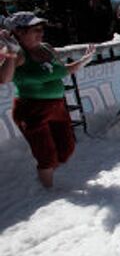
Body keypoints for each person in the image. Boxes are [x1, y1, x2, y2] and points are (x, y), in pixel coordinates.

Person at [0, 12, 95, 188]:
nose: (40, 33)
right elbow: (4, 79)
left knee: (66, 150)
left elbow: (62, 70)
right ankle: (48, 193)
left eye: (41, 29)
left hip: (57, 106)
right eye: (35, 29)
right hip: (30, 110)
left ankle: (45, 175)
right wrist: (11, 53)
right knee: (46, 156)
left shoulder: (47, 48)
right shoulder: (17, 54)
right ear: (19, 33)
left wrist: (82, 61)